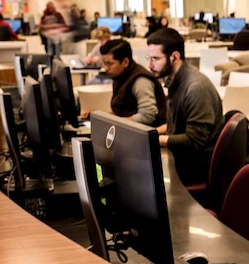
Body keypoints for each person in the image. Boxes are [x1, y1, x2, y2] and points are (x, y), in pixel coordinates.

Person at [146, 27, 224, 186]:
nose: (149, 65)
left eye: (155, 58)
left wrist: (154, 139)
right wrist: (150, 133)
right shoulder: (175, 81)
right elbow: (177, 124)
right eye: (149, 58)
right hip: (184, 159)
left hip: (195, 167)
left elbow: (194, 140)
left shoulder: (195, 87)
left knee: (143, 181)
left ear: (174, 56)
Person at [96, 39, 167, 127]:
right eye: (104, 64)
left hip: (148, 135)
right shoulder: (120, 76)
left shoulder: (140, 80)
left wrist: (116, 123)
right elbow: (120, 111)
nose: (106, 68)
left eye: (110, 64)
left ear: (125, 62)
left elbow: (147, 116)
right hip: (131, 131)